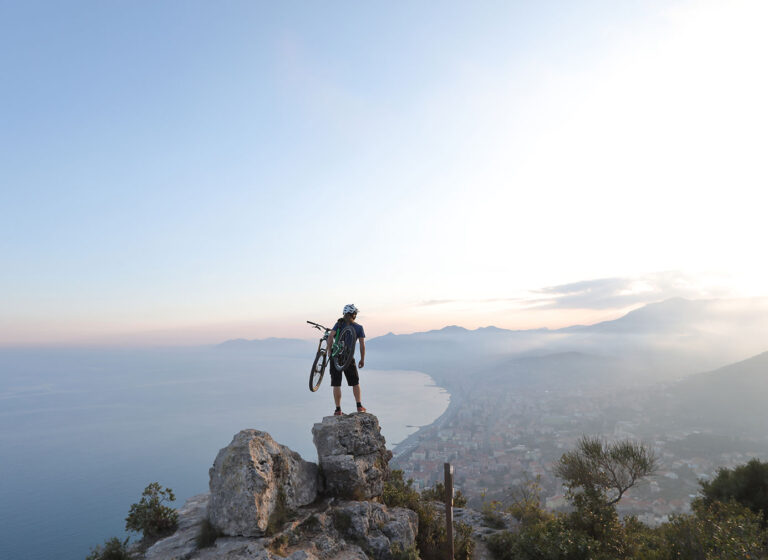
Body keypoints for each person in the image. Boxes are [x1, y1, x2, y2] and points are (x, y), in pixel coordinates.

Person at [328, 304, 366, 415]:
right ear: (354, 315)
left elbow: (330, 336)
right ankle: (359, 406)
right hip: (348, 358)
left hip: (336, 356)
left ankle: (338, 410)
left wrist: (330, 352)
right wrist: (362, 359)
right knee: (355, 383)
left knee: (336, 384)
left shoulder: (339, 324)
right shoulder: (359, 327)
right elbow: (362, 345)